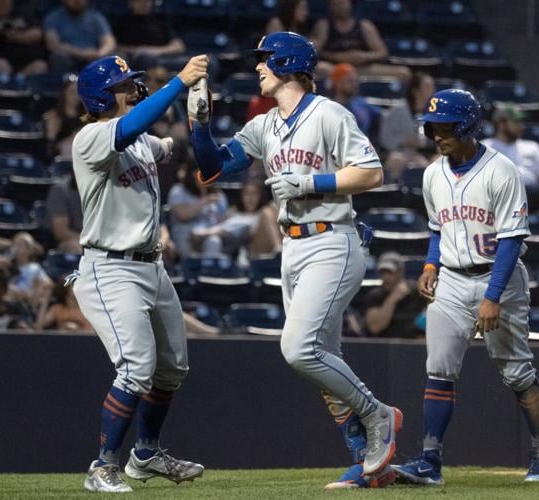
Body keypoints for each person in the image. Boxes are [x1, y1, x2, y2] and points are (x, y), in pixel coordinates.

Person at [188, 31, 402, 490]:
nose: (258, 67)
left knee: (298, 348)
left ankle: (379, 416)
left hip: (332, 238)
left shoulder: (329, 113)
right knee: (324, 363)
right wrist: (199, 126)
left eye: (265, 59)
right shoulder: (265, 125)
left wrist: (309, 184)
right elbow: (212, 169)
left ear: (287, 62)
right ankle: (367, 462)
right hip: (294, 246)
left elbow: (371, 171)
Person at [391, 89, 539, 485]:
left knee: (517, 372)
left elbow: (512, 240)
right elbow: (438, 228)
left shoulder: (503, 171)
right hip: (450, 277)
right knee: (438, 368)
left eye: (444, 126)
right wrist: (431, 262)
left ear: (467, 125)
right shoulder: (433, 173)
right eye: (432, 127)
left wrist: (492, 297)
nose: (436, 135)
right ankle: (430, 461)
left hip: (497, 279)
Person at [68, 53, 208, 492]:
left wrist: (197, 117)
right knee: (135, 369)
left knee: (172, 369)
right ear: (100, 95)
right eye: (123, 85)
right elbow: (129, 128)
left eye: (132, 83)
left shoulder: (141, 140)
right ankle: (102, 467)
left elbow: (170, 147)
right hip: (110, 267)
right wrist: (179, 83)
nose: (132, 89)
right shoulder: (90, 137)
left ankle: (145, 454)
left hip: (151, 266)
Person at [312, 0, 410, 82]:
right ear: (330, 7)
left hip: (362, 68)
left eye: (342, 3)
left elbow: (382, 53)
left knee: (403, 72)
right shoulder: (324, 25)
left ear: (350, 3)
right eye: (335, 4)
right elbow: (315, 51)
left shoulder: (364, 25)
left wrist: (364, 56)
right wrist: (337, 57)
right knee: (321, 68)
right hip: (335, 67)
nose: (340, 7)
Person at [167, 162, 229, 260]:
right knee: (186, 244)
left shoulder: (218, 194)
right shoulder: (178, 191)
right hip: (186, 235)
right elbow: (183, 215)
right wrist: (205, 201)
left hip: (209, 233)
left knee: (214, 241)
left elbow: (223, 219)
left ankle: (208, 269)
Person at [363, 251, 426, 339]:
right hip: (381, 346)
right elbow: (375, 327)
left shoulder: (415, 292)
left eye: (390, 272)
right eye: (383, 272)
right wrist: (392, 300)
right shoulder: (375, 296)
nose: (386, 277)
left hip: (411, 346)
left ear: (400, 272)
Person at [44, 0, 116, 75]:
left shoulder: (96, 17)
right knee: (58, 57)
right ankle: (64, 84)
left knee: (115, 57)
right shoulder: (53, 17)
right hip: (69, 57)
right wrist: (81, 53)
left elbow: (109, 41)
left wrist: (100, 53)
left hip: (93, 57)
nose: (77, 1)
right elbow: (52, 45)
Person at [111, 0, 185, 70]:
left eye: (147, 0)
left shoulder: (160, 20)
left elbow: (179, 46)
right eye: (140, 1)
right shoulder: (121, 23)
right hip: (131, 59)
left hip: (158, 57)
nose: (144, 3)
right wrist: (135, 51)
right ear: (131, 2)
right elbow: (113, 45)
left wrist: (153, 51)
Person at [327, 63, 382, 142]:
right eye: (350, 81)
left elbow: (385, 117)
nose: (355, 84)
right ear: (338, 83)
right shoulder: (327, 107)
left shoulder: (362, 104)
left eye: (356, 81)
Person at [7, 231, 53, 315]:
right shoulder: (6, 266)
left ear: (29, 250)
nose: (16, 248)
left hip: (27, 302)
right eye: (15, 245)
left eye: (21, 245)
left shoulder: (35, 268)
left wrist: (35, 291)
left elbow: (48, 284)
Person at [44, 76, 83, 159]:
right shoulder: (54, 116)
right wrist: (51, 135)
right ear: (64, 93)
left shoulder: (86, 116)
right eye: (71, 92)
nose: (75, 96)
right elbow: (49, 148)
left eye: (78, 92)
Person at [45, 172, 83, 253]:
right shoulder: (61, 189)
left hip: (92, 239)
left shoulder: (102, 189)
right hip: (68, 241)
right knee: (75, 247)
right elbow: (61, 233)